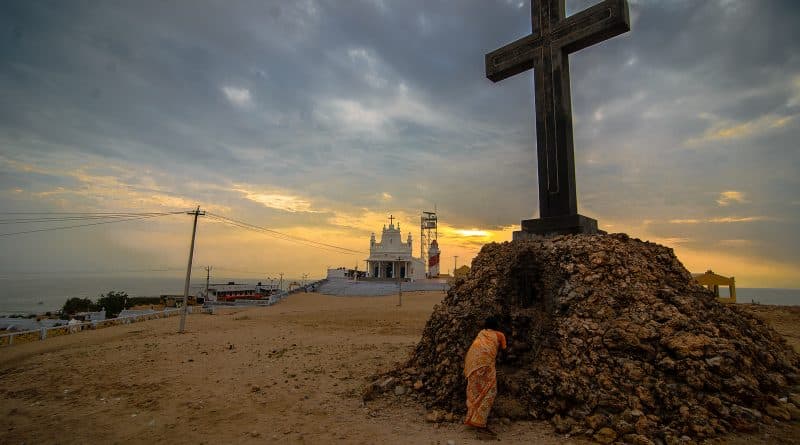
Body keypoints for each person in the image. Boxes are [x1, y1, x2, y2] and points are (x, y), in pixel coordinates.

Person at [464, 316, 507, 435]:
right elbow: (504, 349)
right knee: (490, 391)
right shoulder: (499, 335)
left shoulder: (481, 333)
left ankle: (472, 417)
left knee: (474, 392)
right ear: (496, 326)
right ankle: (479, 421)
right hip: (486, 366)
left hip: (473, 366)